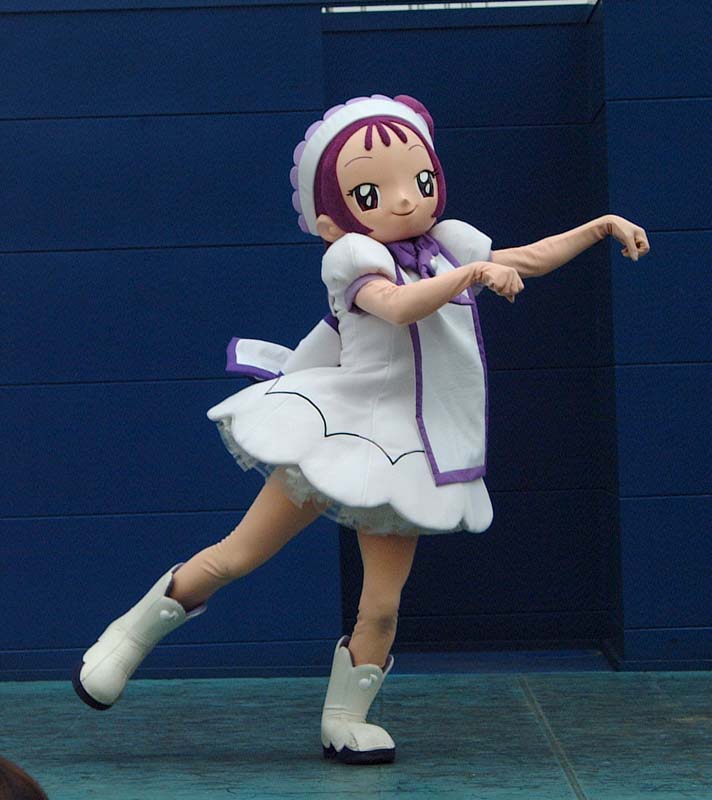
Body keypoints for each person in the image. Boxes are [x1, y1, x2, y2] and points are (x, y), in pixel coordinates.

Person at [72, 94, 650, 765]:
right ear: (332, 218)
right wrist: (471, 274)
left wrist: (600, 226)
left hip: (409, 452)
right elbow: (397, 306)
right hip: (339, 432)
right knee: (238, 555)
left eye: (420, 180)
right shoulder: (352, 257)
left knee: (382, 605)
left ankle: (346, 718)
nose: (405, 200)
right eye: (373, 192)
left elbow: (528, 259)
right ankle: (127, 637)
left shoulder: (451, 244)